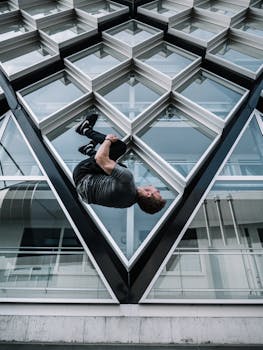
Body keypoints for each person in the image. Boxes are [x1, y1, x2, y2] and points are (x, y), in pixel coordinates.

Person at [73, 113, 166, 214]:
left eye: (158, 193)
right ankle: (89, 150)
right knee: (120, 168)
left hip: (83, 173)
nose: (158, 190)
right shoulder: (127, 203)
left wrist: (108, 140)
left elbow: (100, 159)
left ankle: (85, 130)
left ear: (148, 194)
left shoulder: (127, 179)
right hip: (84, 191)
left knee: (119, 147)